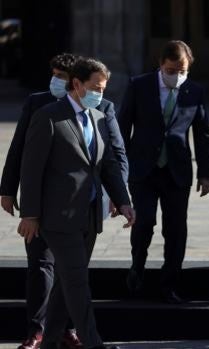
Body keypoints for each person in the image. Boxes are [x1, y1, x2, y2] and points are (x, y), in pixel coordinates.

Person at [0, 53, 127, 349]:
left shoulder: (98, 116)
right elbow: (31, 169)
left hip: (89, 215)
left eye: (104, 89)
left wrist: (124, 201)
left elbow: (108, 163)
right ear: (77, 84)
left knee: (63, 287)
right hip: (57, 218)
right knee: (77, 281)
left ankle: (50, 341)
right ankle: (93, 342)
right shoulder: (47, 116)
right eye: (95, 87)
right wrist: (29, 214)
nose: (100, 94)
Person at [118, 40, 209, 304]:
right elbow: (123, 126)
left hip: (177, 171)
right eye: (171, 70)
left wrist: (206, 173)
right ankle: (137, 268)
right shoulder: (140, 86)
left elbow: (202, 133)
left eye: (182, 70)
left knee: (175, 229)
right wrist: (117, 168)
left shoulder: (194, 91)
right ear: (161, 65)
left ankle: (169, 281)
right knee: (144, 221)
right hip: (143, 169)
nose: (177, 75)